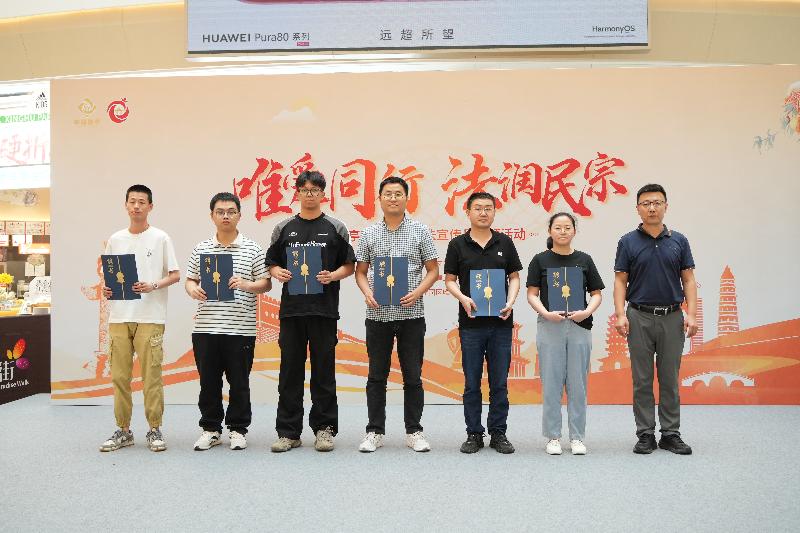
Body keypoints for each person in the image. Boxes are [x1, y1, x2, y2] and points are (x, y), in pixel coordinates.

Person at [266, 171, 355, 453]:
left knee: (323, 373)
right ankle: (288, 432)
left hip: (324, 311)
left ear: (323, 194)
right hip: (292, 312)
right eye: (304, 189)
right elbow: (272, 262)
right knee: (289, 373)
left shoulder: (336, 227)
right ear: (297, 193)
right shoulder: (283, 227)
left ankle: (324, 430)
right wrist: (277, 272)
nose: (309, 194)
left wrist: (333, 275)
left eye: (315, 189)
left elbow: (349, 265)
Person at [354, 176, 439, 452]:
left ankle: (414, 431)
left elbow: (433, 270)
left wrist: (417, 292)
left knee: (412, 376)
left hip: (411, 315)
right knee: (376, 376)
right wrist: (367, 292)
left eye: (398, 193)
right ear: (379, 199)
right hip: (378, 315)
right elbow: (360, 272)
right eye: (388, 194)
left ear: (407, 198)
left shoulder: (420, 231)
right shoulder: (369, 233)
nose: (393, 198)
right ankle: (374, 431)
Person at [614, 183, 697, 455]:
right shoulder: (627, 241)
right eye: (646, 203)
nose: (652, 208)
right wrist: (620, 314)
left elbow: (688, 279)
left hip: (672, 317)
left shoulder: (679, 241)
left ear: (665, 207)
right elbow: (620, 280)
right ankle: (645, 434)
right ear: (638, 208)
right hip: (638, 316)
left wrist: (692, 314)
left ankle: (671, 434)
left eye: (657, 203)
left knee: (669, 378)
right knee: (642, 379)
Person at [185, 192, 271, 451]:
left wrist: (245, 284)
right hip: (206, 328)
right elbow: (190, 280)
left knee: (239, 383)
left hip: (241, 329)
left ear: (239, 215)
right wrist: (193, 289)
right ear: (212, 216)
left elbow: (266, 283)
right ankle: (211, 429)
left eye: (231, 212)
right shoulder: (201, 248)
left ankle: (237, 429)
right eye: (220, 212)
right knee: (208, 383)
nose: (226, 216)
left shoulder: (253, 248)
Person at [99, 184, 180, 453]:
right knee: (120, 378)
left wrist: (153, 285)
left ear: (150, 206)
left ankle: (154, 429)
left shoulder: (161, 238)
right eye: (132, 201)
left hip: (150, 315)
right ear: (126, 205)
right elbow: (110, 278)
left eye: (141, 202)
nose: (136, 206)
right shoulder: (115, 239)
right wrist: (107, 289)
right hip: (119, 316)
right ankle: (123, 430)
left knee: (151, 377)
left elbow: (175, 274)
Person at [443, 192, 522, 454]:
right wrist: (463, 298)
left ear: (495, 212)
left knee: (499, 383)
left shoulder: (505, 242)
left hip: (501, 323)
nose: (483, 213)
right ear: (468, 212)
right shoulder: (458, 244)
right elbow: (450, 280)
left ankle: (498, 433)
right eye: (478, 208)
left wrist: (510, 301)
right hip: (471, 325)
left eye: (488, 208)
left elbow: (514, 277)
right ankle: (474, 433)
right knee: (471, 383)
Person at [527, 212, 604, 455]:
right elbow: (532, 294)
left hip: (579, 325)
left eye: (567, 227)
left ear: (574, 231)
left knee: (578, 384)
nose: (562, 231)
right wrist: (545, 313)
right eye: (558, 227)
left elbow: (596, 293)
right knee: (551, 382)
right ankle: (553, 437)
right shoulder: (540, 260)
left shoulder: (584, 259)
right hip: (550, 326)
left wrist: (587, 312)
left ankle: (577, 437)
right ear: (550, 231)